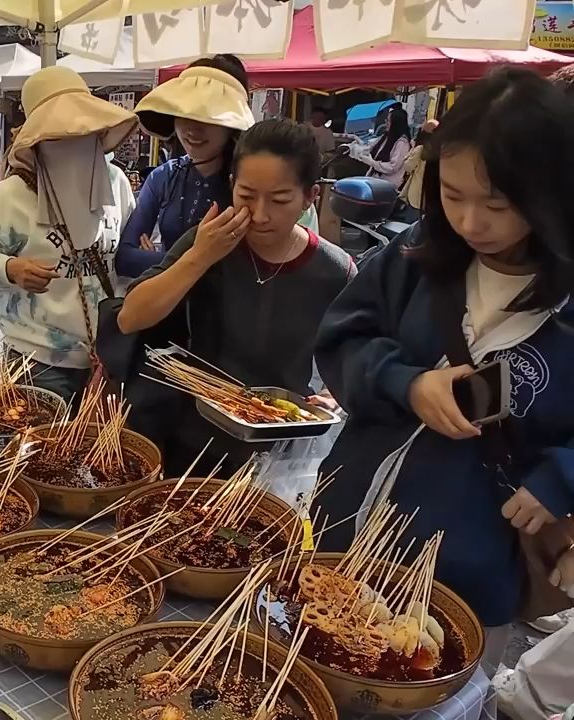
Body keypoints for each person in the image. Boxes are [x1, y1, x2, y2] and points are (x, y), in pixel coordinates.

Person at [314, 68, 574, 665]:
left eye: (498, 203)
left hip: (466, 574)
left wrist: (561, 477)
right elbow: (340, 339)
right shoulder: (413, 259)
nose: (471, 223)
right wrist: (406, 383)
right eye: (453, 195)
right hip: (346, 537)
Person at [111, 118, 355, 474]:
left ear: (310, 197)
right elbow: (130, 317)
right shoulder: (209, 240)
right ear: (231, 185)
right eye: (246, 195)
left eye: (280, 199)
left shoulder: (336, 270)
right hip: (190, 439)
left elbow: (354, 356)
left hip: (275, 452)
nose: (259, 215)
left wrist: (335, 397)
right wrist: (200, 257)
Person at [0, 66, 138, 405]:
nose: (74, 140)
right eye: (59, 134)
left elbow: (127, 260)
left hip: (110, 355)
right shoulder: (14, 194)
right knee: (43, 454)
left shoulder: (116, 183)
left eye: (83, 129)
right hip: (38, 361)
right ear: (39, 142)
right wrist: (10, 270)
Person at [116, 55, 253, 279]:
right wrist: (200, 259)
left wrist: (161, 262)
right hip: (167, 307)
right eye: (184, 113)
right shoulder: (164, 176)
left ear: (233, 122)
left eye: (208, 117)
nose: (192, 129)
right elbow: (125, 259)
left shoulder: (250, 182)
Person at [349, 104, 412, 185]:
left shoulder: (402, 143)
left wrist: (373, 163)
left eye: (388, 121)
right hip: (373, 179)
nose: (386, 123)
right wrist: (355, 149)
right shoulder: (385, 137)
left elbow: (393, 167)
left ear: (396, 123)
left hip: (387, 185)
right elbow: (370, 147)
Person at [396, 119, 438, 222]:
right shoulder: (441, 151)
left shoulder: (420, 149)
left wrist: (410, 153)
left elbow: (408, 167)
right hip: (430, 198)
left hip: (415, 197)